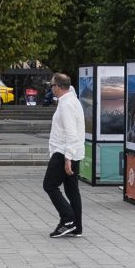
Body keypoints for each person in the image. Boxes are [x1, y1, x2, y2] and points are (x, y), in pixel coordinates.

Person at [44, 73, 85, 238]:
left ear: (58, 87)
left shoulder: (67, 104)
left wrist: (68, 158)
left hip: (63, 152)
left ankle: (68, 220)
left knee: (49, 185)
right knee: (72, 190)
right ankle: (77, 227)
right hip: (72, 151)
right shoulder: (71, 99)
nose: (51, 89)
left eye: (52, 86)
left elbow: (71, 133)